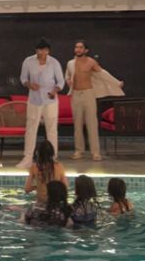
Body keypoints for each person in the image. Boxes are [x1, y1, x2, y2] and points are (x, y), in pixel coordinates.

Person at [65, 41, 124, 162]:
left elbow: (103, 74)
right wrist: (68, 81)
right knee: (77, 125)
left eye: (80, 47)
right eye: (76, 47)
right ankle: (78, 150)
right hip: (76, 94)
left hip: (88, 93)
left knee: (92, 124)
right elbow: (67, 76)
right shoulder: (70, 63)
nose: (78, 49)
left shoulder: (91, 62)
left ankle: (95, 152)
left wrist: (117, 82)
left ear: (85, 50)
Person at [17, 38, 65, 168]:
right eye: (39, 50)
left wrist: (55, 90)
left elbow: (61, 82)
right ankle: (27, 158)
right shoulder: (28, 61)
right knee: (31, 128)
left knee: (52, 129)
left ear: (48, 51)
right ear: (36, 50)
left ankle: (53, 157)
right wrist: (29, 84)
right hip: (34, 99)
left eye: (44, 50)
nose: (41, 53)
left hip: (50, 99)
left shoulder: (54, 62)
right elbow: (23, 78)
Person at [24, 139, 69, 205]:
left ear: (37, 153)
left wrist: (37, 187)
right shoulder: (59, 166)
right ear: (52, 153)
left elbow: (27, 189)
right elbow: (65, 186)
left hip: (41, 203)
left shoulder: (34, 167)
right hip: (55, 203)